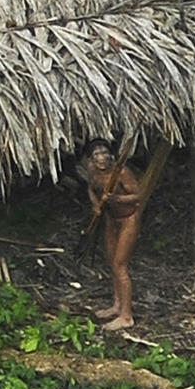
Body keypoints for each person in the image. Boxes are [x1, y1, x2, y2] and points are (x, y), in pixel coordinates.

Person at [84, 140, 146, 330]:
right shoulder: (92, 170)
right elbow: (91, 188)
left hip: (128, 219)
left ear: (111, 155)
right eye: (96, 155)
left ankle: (126, 316)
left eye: (104, 153)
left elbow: (137, 195)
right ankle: (117, 305)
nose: (101, 158)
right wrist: (96, 205)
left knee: (120, 265)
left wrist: (116, 199)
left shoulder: (121, 172)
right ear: (91, 159)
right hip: (111, 219)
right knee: (112, 262)